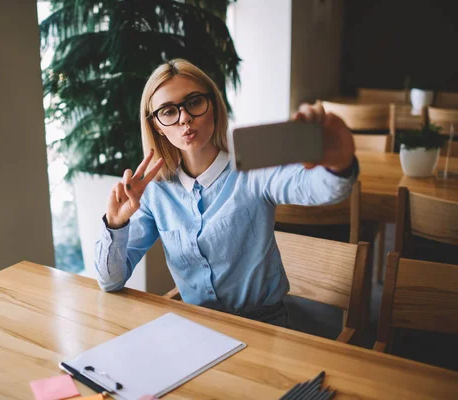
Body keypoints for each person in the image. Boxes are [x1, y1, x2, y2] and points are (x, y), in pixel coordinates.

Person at [94, 59, 357, 327]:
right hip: (196, 326)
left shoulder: (251, 170)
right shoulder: (155, 192)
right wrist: (116, 224)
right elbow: (110, 280)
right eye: (168, 111)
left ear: (214, 108)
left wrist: (339, 162)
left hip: (264, 324)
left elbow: (322, 188)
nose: (184, 118)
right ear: (157, 126)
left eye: (194, 102)